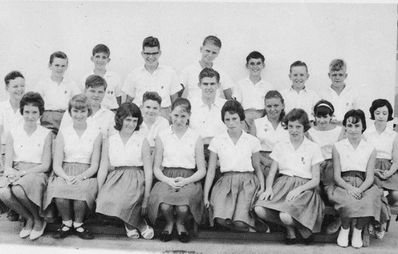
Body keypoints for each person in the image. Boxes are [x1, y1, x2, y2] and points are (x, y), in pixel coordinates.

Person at [254, 108, 324, 244]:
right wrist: (268, 188)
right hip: (282, 185)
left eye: (298, 127)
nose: (294, 130)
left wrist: (298, 190)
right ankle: (293, 230)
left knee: (286, 215)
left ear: (305, 128)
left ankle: (296, 229)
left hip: (305, 188)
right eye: (291, 126)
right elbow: (273, 172)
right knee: (259, 209)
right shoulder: (281, 145)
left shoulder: (313, 147)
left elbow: (315, 180)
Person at [43, 94, 102, 240]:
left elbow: (95, 165)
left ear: (88, 112)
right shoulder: (64, 132)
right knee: (60, 189)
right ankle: (66, 223)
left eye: (83, 111)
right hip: (64, 171)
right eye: (75, 111)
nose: (79, 115)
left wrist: (80, 177)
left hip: (86, 173)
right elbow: (57, 164)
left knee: (81, 193)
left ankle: (79, 224)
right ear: (70, 112)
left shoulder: (96, 133)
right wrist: (65, 177)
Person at [148, 98, 206, 243]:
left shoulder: (196, 137)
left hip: (189, 178)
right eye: (175, 115)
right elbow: (156, 167)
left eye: (183, 116)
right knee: (165, 205)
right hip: (166, 176)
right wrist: (167, 180)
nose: (179, 120)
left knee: (182, 207)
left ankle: (180, 223)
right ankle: (169, 223)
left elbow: (202, 170)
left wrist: (186, 180)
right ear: (170, 114)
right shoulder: (162, 135)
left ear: (189, 116)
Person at [325, 109, 384, 248]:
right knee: (346, 198)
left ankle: (358, 231)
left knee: (371, 198)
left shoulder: (370, 148)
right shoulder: (338, 147)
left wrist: (360, 189)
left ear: (363, 126)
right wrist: (350, 188)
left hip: (364, 183)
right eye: (349, 125)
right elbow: (337, 176)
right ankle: (344, 229)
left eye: (357, 126)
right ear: (345, 126)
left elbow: (370, 177)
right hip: (343, 183)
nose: (353, 130)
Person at [204, 100, 264, 232]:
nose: (231, 123)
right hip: (225, 183)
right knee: (220, 219)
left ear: (241, 119)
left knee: (240, 223)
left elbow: (257, 168)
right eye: (227, 119)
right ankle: (250, 229)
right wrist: (206, 195)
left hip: (247, 183)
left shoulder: (252, 141)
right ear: (223, 121)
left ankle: (251, 227)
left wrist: (262, 188)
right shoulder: (217, 140)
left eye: (234, 118)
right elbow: (210, 172)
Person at [96, 103, 154, 240]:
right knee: (106, 200)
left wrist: (146, 196)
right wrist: (99, 191)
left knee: (126, 198)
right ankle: (135, 223)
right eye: (128, 120)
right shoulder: (110, 140)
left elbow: (148, 170)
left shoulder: (142, 140)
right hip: (115, 178)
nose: (131, 124)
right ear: (120, 119)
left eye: (135, 120)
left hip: (136, 177)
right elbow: (103, 167)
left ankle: (134, 224)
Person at [0, 92, 52, 240]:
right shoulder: (13, 133)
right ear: (22, 111)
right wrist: (10, 172)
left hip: (36, 173)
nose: (30, 116)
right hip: (16, 170)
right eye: (27, 112)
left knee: (18, 189)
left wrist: (22, 173)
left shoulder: (46, 134)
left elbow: (46, 165)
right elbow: (8, 164)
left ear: (40, 113)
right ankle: (29, 218)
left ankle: (38, 219)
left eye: (34, 112)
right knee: (3, 192)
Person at [121, 36, 182, 120]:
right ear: (142, 53)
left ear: (159, 53)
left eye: (154, 53)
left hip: (163, 116)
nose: (151, 57)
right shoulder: (133, 74)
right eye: (147, 53)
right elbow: (128, 101)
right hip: (140, 117)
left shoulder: (170, 73)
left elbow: (175, 102)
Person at [307, 100, 344, 234]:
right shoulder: (310, 131)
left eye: (325, 116)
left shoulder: (339, 130)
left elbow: (340, 151)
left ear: (331, 116)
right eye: (319, 116)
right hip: (316, 164)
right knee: (314, 189)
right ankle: (315, 220)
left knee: (331, 191)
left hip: (332, 164)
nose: (322, 120)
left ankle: (339, 218)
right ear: (315, 116)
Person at [364, 99, 397, 238]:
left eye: (385, 113)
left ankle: (379, 219)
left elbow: (396, 160)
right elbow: (363, 156)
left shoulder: (394, 135)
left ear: (389, 115)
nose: (381, 116)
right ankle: (379, 223)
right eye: (377, 113)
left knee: (395, 194)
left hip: (388, 168)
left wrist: (389, 172)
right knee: (374, 192)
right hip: (371, 167)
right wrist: (373, 171)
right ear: (373, 114)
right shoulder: (366, 133)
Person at [0, 71, 26, 220]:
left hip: (22, 153)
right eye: (15, 86)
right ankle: (13, 208)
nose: (19, 89)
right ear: (7, 88)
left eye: (22, 85)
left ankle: (19, 209)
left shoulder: (28, 108)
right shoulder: (2, 108)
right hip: (4, 151)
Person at [34, 51, 80, 134]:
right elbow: (35, 105)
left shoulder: (71, 84)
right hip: (48, 118)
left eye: (63, 66)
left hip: (67, 118)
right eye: (57, 65)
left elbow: (80, 101)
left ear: (66, 67)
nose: (60, 69)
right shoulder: (42, 84)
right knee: (49, 141)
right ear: (50, 66)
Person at [180, 35, 234, 101]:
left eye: (214, 53)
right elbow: (177, 97)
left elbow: (230, 99)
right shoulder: (188, 71)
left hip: (214, 110)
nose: (210, 55)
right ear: (201, 49)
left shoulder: (221, 72)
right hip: (193, 109)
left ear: (218, 54)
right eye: (207, 51)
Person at [189, 68, 226, 163]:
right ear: (199, 85)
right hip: (196, 151)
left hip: (221, 151)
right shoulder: (191, 106)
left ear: (218, 85)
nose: (209, 87)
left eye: (212, 84)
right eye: (205, 84)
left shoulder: (226, 106)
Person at [250, 90, 288, 178]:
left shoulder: (289, 124)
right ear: (265, 107)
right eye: (269, 106)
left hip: (283, 162)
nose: (272, 109)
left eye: (276, 105)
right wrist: (265, 161)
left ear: (283, 106)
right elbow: (251, 148)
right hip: (261, 162)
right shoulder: (257, 123)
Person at [234, 51, 274, 131]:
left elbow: (271, 107)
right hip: (243, 121)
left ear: (263, 65)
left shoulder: (269, 86)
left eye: (258, 63)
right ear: (247, 66)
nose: (255, 66)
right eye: (252, 63)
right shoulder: (239, 84)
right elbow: (236, 106)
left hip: (262, 121)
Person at [80, 44, 123, 111]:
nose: (100, 60)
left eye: (104, 57)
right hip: (92, 112)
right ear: (92, 58)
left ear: (108, 60)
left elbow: (118, 97)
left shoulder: (115, 77)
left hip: (111, 112)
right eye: (97, 56)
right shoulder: (85, 78)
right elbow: (83, 98)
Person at [321, 59, 358, 125]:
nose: (337, 78)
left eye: (340, 75)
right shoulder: (322, 94)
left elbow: (358, 116)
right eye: (334, 75)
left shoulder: (353, 93)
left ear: (345, 76)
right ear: (329, 75)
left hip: (348, 131)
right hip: (329, 130)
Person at [139, 91, 169, 156]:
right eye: (148, 107)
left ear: (160, 109)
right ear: (141, 107)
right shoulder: (137, 122)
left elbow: (165, 145)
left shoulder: (164, 123)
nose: (151, 111)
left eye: (155, 108)